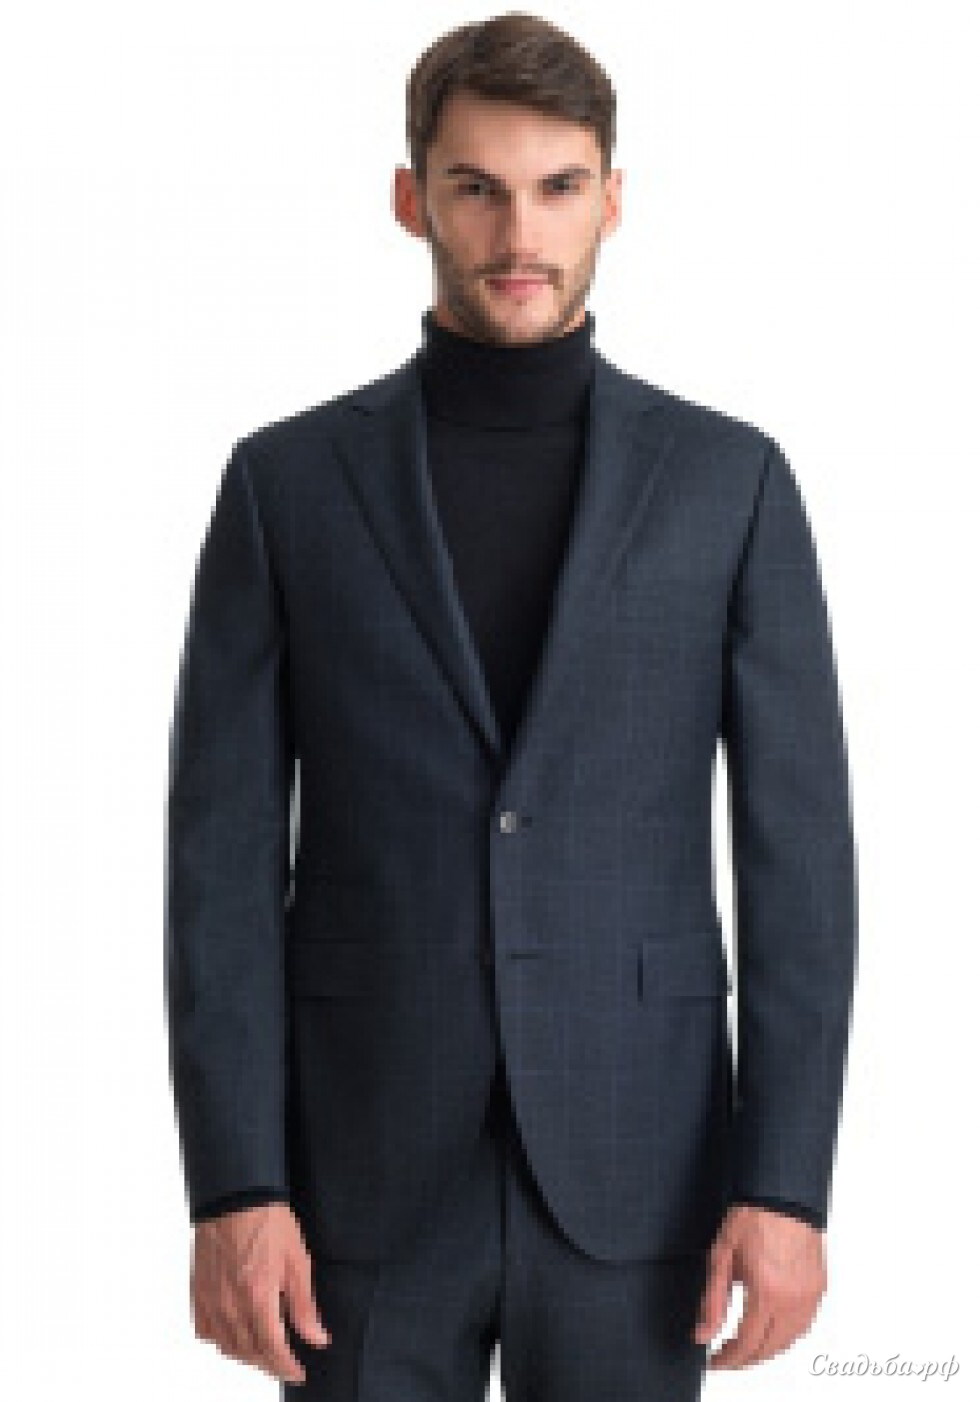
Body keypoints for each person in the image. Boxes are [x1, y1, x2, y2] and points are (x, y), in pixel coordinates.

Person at [165, 14, 858, 1400]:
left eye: (558, 186)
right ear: (411, 197)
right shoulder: (285, 487)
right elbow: (217, 867)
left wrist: (786, 1183)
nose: (519, 231)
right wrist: (236, 1183)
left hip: (641, 1173)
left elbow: (801, 862)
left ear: (613, 197)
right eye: (476, 186)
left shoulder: (731, 484)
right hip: (354, 1182)